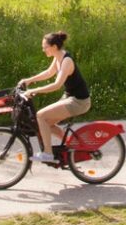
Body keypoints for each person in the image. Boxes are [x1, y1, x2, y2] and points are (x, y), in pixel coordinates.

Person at [18, 30, 91, 162]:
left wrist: (35, 90)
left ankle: (48, 153)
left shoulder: (66, 61)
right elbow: (49, 73)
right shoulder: (58, 57)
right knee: (46, 123)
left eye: (45, 47)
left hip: (79, 102)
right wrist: (29, 80)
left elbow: (57, 84)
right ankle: (73, 145)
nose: (43, 50)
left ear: (54, 47)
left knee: (41, 116)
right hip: (70, 98)